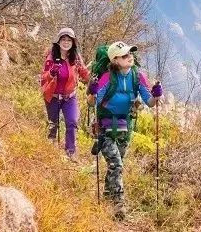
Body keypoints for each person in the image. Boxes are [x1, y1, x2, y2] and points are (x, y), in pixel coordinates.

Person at [87, 41, 162, 219]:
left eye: (130, 54)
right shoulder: (107, 77)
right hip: (105, 125)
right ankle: (119, 205)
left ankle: (107, 195)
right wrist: (92, 91)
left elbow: (150, 103)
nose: (130, 57)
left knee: (116, 165)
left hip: (124, 126)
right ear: (115, 60)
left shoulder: (138, 76)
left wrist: (157, 95)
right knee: (117, 164)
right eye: (125, 55)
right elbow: (92, 103)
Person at [40, 27, 90, 158]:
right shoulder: (51, 57)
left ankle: (70, 152)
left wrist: (95, 78)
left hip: (69, 97)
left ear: (73, 42)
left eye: (69, 40)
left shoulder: (76, 58)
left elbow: (84, 74)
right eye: (63, 39)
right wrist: (51, 73)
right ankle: (49, 150)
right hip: (53, 96)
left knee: (72, 122)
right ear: (58, 41)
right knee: (53, 124)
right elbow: (44, 77)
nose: (66, 42)